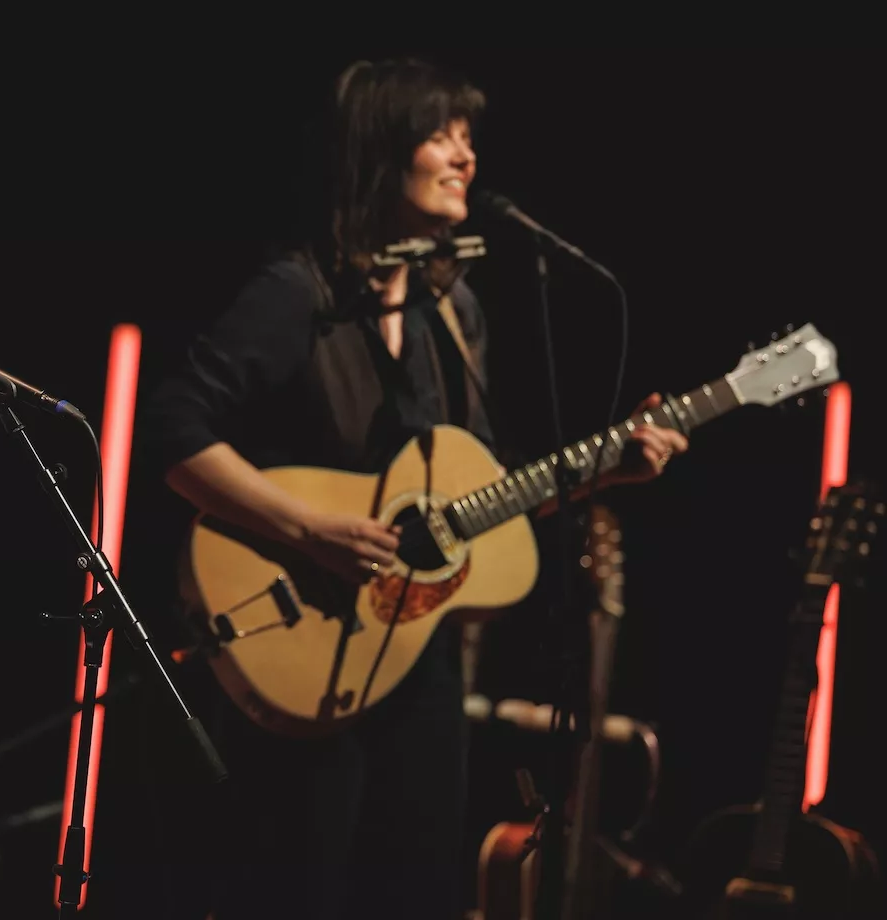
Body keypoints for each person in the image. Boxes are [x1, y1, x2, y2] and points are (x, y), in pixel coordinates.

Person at [140, 58, 689, 919]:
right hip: (299, 634)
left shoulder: (453, 316)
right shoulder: (299, 293)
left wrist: (605, 471)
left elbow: (479, 500)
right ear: (381, 151)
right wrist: (308, 529)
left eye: (469, 139)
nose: (466, 157)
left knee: (420, 888)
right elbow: (173, 429)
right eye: (441, 136)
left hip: (414, 653)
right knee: (297, 891)